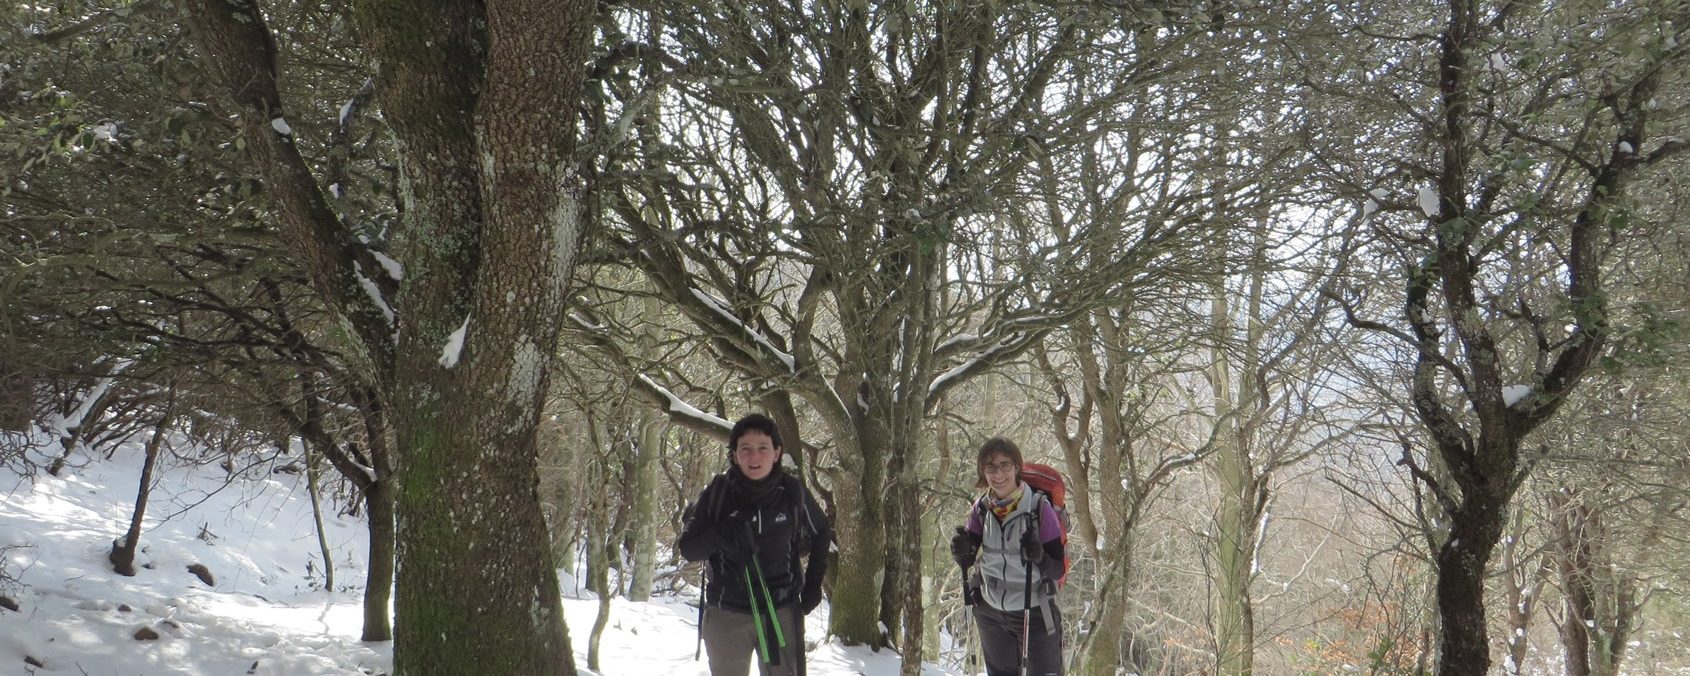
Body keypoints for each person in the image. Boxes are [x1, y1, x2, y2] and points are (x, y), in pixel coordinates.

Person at [679, 413, 832, 676]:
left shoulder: (792, 492)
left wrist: (813, 585)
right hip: (727, 614)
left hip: (782, 612)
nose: (754, 457)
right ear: (734, 455)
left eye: (763, 448)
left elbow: (822, 532)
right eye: (745, 449)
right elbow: (689, 549)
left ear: (776, 453)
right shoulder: (718, 492)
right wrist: (722, 532)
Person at [950, 437, 1065, 676]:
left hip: (1033, 610)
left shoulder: (1038, 508)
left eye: (1005, 465)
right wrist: (961, 550)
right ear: (983, 472)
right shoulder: (981, 508)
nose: (998, 473)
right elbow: (968, 557)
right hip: (989, 610)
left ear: (1016, 468)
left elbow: (1057, 569)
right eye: (990, 467)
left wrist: (1040, 557)